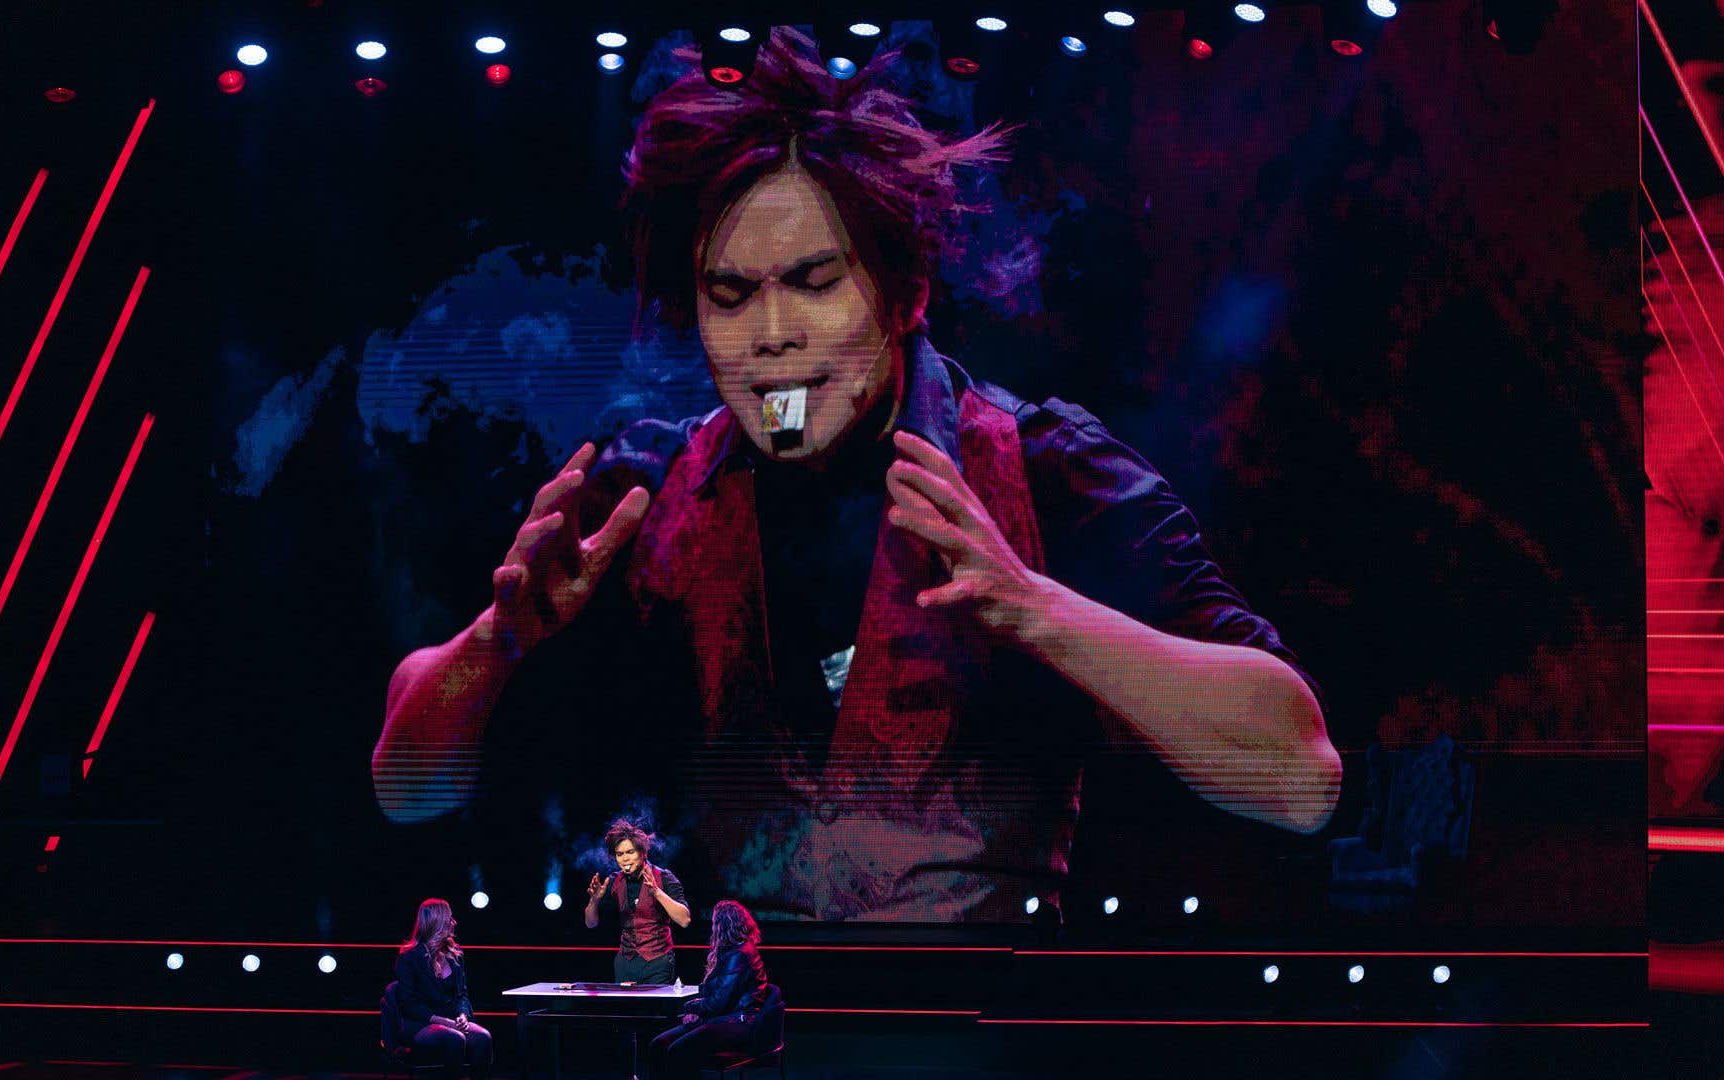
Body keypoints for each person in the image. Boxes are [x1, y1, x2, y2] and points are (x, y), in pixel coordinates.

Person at [375, 29, 1341, 921]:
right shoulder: (641, 491)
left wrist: (1034, 607)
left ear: (906, 291)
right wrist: (496, 645)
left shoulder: (1044, 465)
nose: (773, 334)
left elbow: (1303, 778)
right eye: (731, 295)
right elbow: (402, 787)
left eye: (815, 281)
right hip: (721, 1037)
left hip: (979, 1040)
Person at [650, 900, 771, 1080]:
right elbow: (715, 995)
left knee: (677, 1049)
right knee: (659, 1044)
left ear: (723, 926)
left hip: (737, 1024)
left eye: (714, 924)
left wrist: (690, 1008)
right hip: (726, 1019)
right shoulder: (735, 952)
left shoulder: (739, 955)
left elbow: (718, 1003)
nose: (712, 929)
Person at [391, 898, 493, 1078]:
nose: (454, 923)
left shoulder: (455, 955)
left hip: (451, 1020)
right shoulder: (409, 958)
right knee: (455, 1037)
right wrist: (444, 1021)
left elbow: (462, 994)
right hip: (420, 1023)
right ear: (436, 922)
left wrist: (462, 1015)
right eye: (450, 918)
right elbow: (408, 1004)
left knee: (483, 1037)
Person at [584, 818, 691, 983]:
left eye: (630, 852)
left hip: (658, 961)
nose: (625, 859)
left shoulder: (664, 878)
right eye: (620, 854)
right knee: (627, 1009)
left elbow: (684, 920)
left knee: (654, 1009)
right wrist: (594, 900)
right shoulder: (614, 881)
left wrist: (656, 892)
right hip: (625, 962)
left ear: (643, 853)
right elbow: (590, 923)